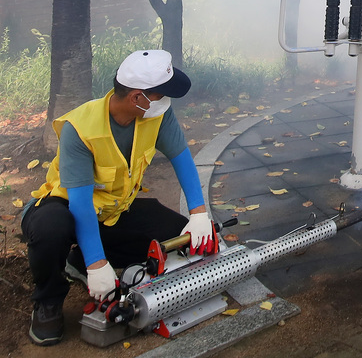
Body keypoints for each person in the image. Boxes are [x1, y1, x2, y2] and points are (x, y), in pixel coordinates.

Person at [21, 50, 219, 346]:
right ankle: (48, 302)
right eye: (161, 94)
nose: (166, 101)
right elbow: (80, 204)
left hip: (113, 211)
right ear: (137, 97)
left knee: (177, 237)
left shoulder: (156, 114)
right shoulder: (81, 129)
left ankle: (79, 261)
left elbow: (182, 159)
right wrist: (98, 263)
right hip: (66, 207)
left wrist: (199, 213)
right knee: (51, 228)